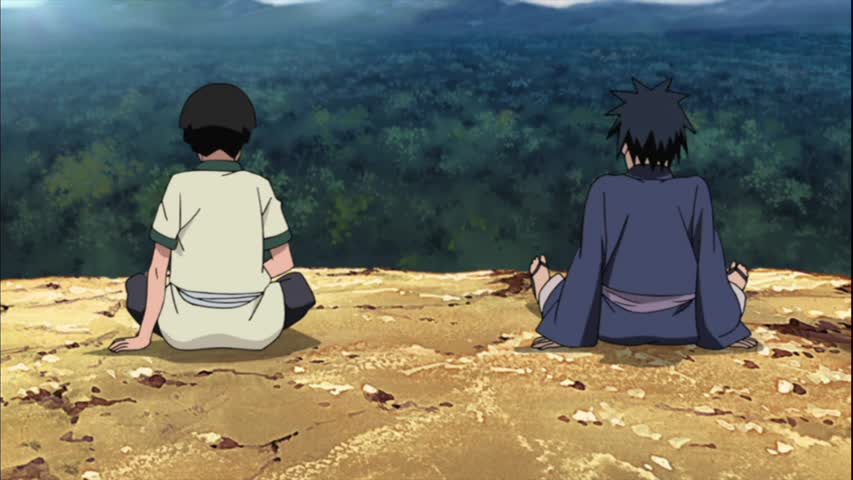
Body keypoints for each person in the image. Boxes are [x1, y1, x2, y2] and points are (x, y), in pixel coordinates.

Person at [528, 78, 756, 351]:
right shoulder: (695, 190)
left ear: (626, 146)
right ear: (676, 147)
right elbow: (708, 263)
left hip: (614, 324)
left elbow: (589, 264)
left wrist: (566, 332)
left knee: (560, 293)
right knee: (729, 296)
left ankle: (545, 283)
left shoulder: (605, 189)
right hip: (683, 326)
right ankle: (734, 285)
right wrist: (725, 331)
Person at [110, 83, 315, 353]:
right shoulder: (259, 186)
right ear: (243, 140)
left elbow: (159, 268)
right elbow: (285, 260)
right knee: (298, 288)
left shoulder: (179, 185)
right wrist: (254, 277)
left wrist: (143, 336)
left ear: (193, 141)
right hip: (256, 330)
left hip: (183, 332)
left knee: (137, 285)